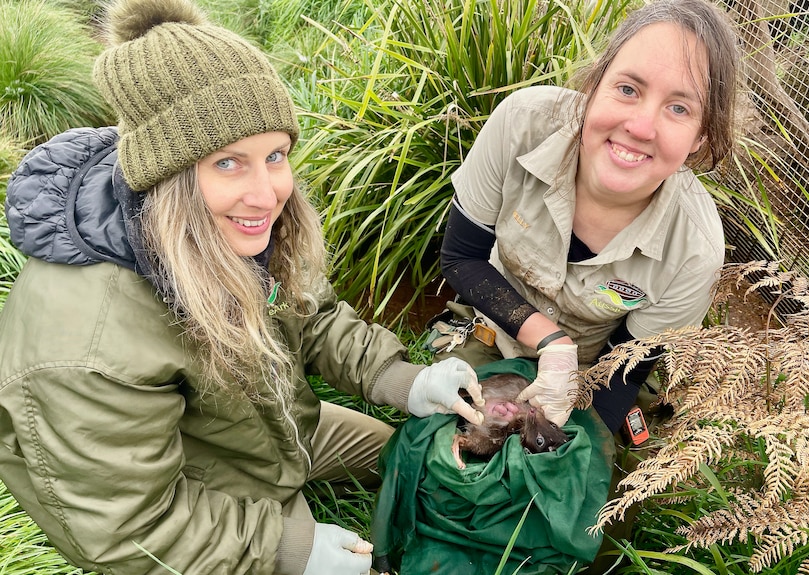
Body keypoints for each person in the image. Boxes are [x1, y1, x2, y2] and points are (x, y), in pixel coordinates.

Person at [0, 0, 485, 573]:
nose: (267, 194)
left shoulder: (234, 229)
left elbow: (313, 314)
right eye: (228, 163)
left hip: (266, 431)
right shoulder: (87, 343)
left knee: (404, 455)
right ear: (168, 174)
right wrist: (291, 551)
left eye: (275, 155)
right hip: (201, 484)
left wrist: (406, 379)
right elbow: (131, 528)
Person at [439, 0, 739, 436]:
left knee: (565, 477)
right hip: (496, 323)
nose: (640, 127)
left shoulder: (696, 250)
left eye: (679, 108)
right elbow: (462, 257)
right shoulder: (520, 124)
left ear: (701, 137)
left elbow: (626, 367)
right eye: (628, 89)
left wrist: (577, 442)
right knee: (454, 436)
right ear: (595, 85)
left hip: (597, 368)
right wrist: (549, 340)